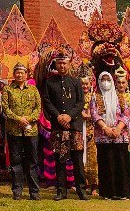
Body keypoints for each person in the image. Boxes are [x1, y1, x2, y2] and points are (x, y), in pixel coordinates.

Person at [43, 52, 87, 201]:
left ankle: (81, 190)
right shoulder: (49, 83)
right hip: (58, 126)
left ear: (69, 65)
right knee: (60, 159)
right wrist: (58, 116)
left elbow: (80, 102)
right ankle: (61, 191)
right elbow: (47, 102)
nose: (62, 66)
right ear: (56, 65)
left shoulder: (76, 82)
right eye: (59, 63)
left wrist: (69, 115)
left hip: (74, 126)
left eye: (64, 63)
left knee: (77, 160)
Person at [89, 71, 130, 201]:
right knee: (106, 163)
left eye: (108, 80)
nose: (106, 82)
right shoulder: (95, 97)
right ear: (99, 81)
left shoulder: (120, 96)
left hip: (120, 135)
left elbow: (126, 113)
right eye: (103, 80)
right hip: (103, 136)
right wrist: (105, 128)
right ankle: (108, 193)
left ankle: (123, 192)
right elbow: (94, 113)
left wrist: (118, 128)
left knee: (121, 163)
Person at [2, 61, 41, 200]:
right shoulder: (8, 89)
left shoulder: (33, 90)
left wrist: (28, 119)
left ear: (26, 75)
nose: (20, 75)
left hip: (31, 131)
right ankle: (17, 191)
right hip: (14, 130)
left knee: (32, 161)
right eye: (17, 72)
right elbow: (5, 109)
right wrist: (19, 119)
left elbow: (38, 109)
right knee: (16, 161)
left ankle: (34, 192)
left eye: (22, 72)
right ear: (14, 74)